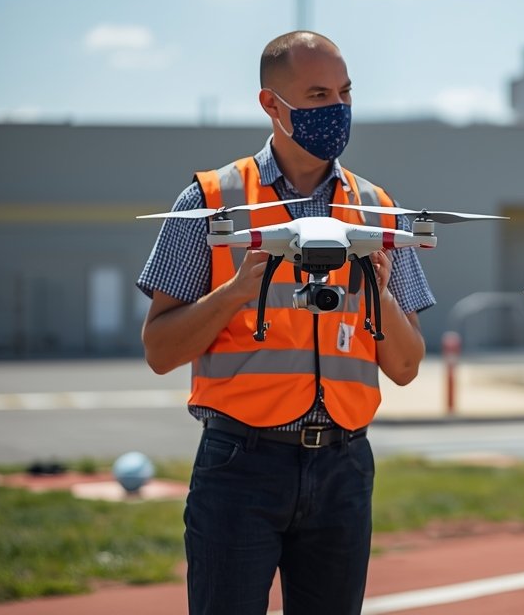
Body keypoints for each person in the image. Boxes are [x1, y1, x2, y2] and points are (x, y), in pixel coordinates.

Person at [136, 30, 435, 615]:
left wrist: (380, 289)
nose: (337, 110)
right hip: (240, 466)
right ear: (272, 105)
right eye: (318, 94)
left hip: (344, 467)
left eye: (345, 93)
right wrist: (237, 291)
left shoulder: (377, 207)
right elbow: (159, 349)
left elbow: (405, 366)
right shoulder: (212, 200)